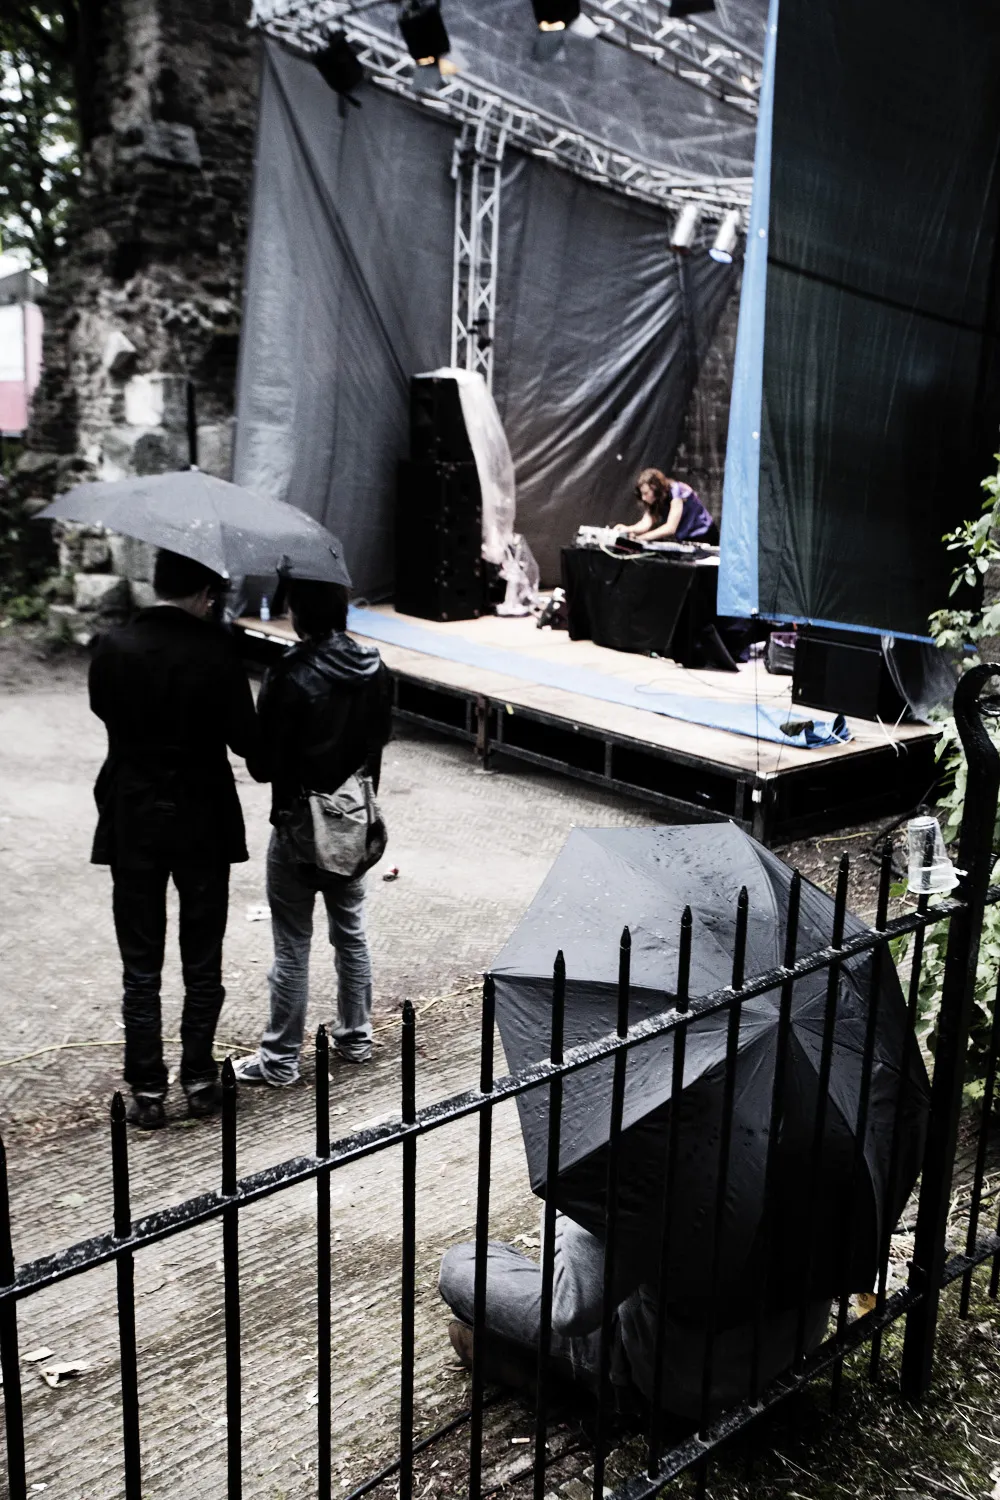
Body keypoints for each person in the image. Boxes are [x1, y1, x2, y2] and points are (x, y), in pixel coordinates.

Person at [89, 549, 258, 1129]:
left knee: (140, 959)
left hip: (134, 813)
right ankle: (201, 1079)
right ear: (205, 595)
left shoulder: (112, 646)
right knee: (202, 956)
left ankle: (146, 1089)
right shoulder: (218, 650)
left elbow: (103, 710)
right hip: (203, 817)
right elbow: (246, 741)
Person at [439, 1213, 830, 1421]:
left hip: (676, 1386)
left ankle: (567, 1377)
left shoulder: (642, 1163)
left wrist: (565, 1201)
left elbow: (569, 1312)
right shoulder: (820, 1131)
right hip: (790, 1357)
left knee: (462, 1265)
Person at [236, 579, 393, 1085]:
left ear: (298, 612)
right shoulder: (375, 667)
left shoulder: (288, 672)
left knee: (292, 944)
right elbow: (378, 744)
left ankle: (280, 1059)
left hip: (299, 826)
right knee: (351, 933)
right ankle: (357, 1037)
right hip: (353, 821)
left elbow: (262, 766)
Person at [615, 468, 718, 544]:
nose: (643, 498)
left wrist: (640, 538)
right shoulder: (656, 500)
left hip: (705, 535)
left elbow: (670, 528)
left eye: (646, 493)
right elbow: (646, 523)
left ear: (655, 488)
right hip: (687, 539)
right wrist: (628, 529)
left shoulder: (677, 491)